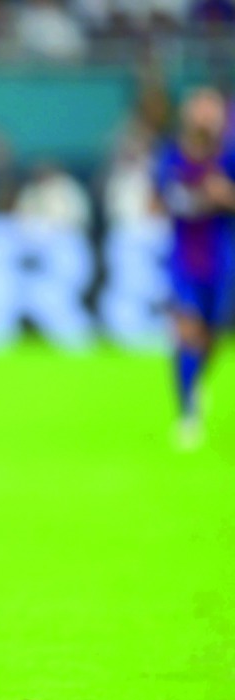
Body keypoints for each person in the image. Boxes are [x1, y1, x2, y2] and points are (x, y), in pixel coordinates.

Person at [151, 87, 235, 448]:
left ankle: (195, 382)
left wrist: (226, 197)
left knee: (211, 336)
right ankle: (188, 415)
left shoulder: (229, 158)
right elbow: (157, 201)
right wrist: (199, 198)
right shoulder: (170, 156)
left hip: (222, 258)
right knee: (187, 331)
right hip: (184, 257)